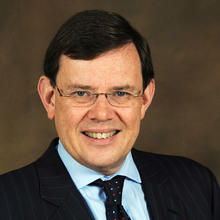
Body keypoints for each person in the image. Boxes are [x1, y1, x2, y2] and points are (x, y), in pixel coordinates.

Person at [0, 10, 219, 220]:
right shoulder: (7, 203)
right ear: (49, 98)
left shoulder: (197, 185)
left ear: (145, 98)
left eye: (121, 93)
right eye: (81, 93)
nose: (102, 114)